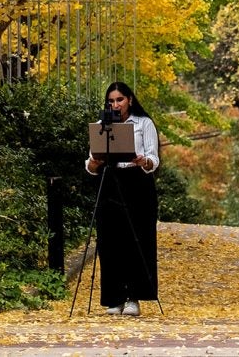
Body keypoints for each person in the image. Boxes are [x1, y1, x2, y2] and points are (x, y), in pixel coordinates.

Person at [85, 79, 161, 315]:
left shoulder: (144, 123)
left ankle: (134, 297)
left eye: (119, 100)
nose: (115, 104)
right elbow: (89, 163)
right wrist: (94, 163)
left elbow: (153, 159)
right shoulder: (101, 124)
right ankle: (113, 297)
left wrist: (143, 161)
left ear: (129, 100)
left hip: (136, 182)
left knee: (137, 238)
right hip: (109, 181)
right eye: (111, 101)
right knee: (109, 241)